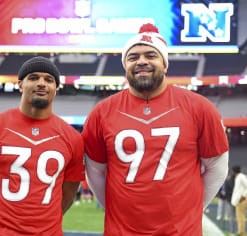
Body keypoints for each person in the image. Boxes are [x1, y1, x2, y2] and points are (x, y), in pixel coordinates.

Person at [82, 23, 229, 235]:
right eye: (133, 57)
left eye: (151, 55)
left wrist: (193, 208)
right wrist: (114, 209)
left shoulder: (199, 107)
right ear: (125, 66)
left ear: (165, 63)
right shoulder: (101, 113)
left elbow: (217, 166)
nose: (141, 61)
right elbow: (95, 170)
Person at [0, 56, 85, 235]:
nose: (42, 83)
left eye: (49, 80)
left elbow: (67, 195)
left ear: (56, 88)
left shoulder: (72, 138)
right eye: (34, 78)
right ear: (20, 85)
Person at [231, 166, 247, 236]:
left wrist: (243, 195)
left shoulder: (241, 177)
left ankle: (242, 233)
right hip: (239, 200)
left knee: (241, 217)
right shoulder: (239, 177)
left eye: (232, 171)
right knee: (240, 217)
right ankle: (241, 232)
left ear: (234, 171)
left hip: (241, 201)